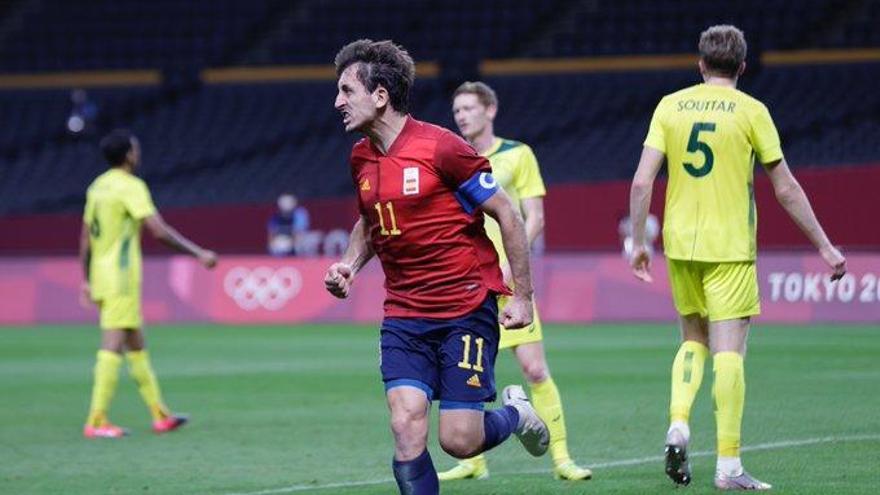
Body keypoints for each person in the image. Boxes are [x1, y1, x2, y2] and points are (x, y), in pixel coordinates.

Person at [324, 39, 549, 495]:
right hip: (405, 314)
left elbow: (508, 213)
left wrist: (522, 296)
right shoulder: (361, 158)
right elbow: (370, 221)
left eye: (347, 90)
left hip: (465, 307)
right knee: (405, 424)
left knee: (459, 441)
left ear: (381, 95)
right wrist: (350, 264)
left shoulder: (443, 148)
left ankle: (515, 414)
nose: (337, 102)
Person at [628, 25, 846, 490]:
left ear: (700, 64)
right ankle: (728, 467)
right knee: (730, 350)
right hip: (730, 247)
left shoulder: (670, 105)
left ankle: (679, 422)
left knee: (692, 336)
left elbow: (643, 181)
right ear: (743, 67)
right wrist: (825, 246)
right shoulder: (752, 111)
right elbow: (785, 187)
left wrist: (640, 244)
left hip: (681, 243)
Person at [437, 81, 592, 481]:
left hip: (506, 280)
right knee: (463, 371)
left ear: (490, 110)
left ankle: (561, 458)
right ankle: (473, 461)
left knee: (535, 369)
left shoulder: (518, 154)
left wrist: (511, 265)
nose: (462, 116)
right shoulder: (452, 156)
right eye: (457, 110)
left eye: (469, 108)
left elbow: (534, 216)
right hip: (465, 283)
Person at [80, 129, 218, 438]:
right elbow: (158, 231)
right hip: (121, 276)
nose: (138, 154)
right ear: (128, 155)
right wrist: (199, 253)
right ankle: (97, 419)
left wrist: (85, 278)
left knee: (136, 343)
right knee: (113, 344)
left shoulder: (97, 187)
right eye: (136, 149)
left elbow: (85, 236)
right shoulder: (130, 186)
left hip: (102, 275)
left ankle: (160, 414)